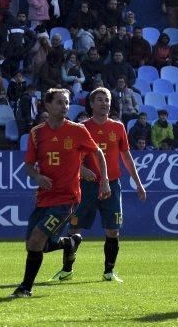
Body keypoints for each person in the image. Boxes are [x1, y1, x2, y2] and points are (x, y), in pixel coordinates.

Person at [10, 88, 109, 298]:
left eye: (66, 103)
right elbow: (29, 165)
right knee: (34, 246)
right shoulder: (37, 133)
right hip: (44, 197)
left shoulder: (77, 130)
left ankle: (25, 288)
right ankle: (70, 242)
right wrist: (37, 177)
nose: (64, 107)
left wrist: (105, 181)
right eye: (59, 103)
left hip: (67, 198)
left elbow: (98, 153)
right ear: (47, 106)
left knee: (36, 240)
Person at [50, 87, 145, 283]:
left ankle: (109, 271)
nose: (104, 103)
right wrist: (81, 170)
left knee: (113, 230)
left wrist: (138, 183)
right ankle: (66, 270)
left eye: (107, 100)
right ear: (91, 104)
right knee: (74, 228)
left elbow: (126, 156)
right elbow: (70, 155)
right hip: (86, 186)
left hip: (112, 185)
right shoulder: (81, 127)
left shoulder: (118, 127)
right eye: (100, 100)